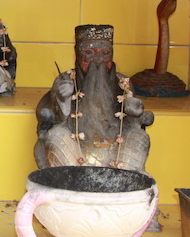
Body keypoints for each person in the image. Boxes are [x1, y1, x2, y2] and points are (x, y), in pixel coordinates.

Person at [35, 25, 154, 172]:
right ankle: (71, 181)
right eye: (89, 53)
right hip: (76, 150)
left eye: (105, 53)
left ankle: (125, 181)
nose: (98, 59)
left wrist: (134, 112)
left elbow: (134, 123)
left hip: (116, 151)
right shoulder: (65, 80)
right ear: (77, 53)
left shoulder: (123, 83)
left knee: (139, 137)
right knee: (56, 135)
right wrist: (64, 100)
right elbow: (52, 121)